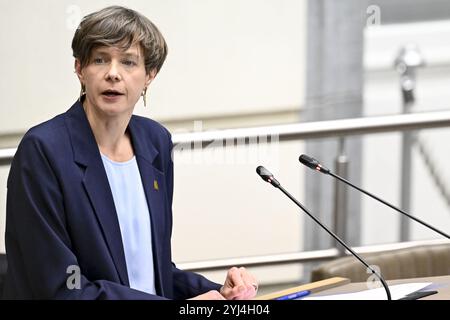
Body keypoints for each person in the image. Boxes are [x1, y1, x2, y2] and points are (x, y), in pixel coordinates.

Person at [3, 5, 258, 300]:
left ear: (150, 75)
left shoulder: (155, 142)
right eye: (100, 60)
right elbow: (60, 287)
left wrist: (217, 291)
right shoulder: (43, 150)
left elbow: (155, 273)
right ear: (79, 69)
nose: (113, 74)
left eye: (128, 62)